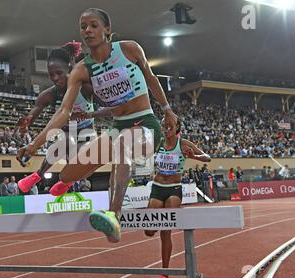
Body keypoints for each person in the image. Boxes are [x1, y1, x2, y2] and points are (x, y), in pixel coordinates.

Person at [17, 8, 177, 243]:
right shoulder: (81, 70)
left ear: (107, 30)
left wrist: (167, 110)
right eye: (83, 27)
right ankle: (66, 181)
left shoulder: (129, 49)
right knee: (67, 173)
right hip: (117, 127)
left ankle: (113, 216)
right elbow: (64, 112)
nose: (88, 31)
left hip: (145, 124)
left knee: (123, 144)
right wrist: (34, 145)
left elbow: (151, 78)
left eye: (93, 25)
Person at [16, 42, 96, 193]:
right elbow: (29, 120)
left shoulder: (85, 87)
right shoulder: (49, 94)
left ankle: (67, 182)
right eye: (51, 74)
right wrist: (24, 125)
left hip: (86, 129)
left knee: (80, 158)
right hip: (64, 131)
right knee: (63, 140)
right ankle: (38, 175)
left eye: (59, 73)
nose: (55, 78)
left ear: (70, 68)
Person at [144, 116, 210, 278]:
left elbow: (207, 158)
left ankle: (164, 276)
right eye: (164, 126)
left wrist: (194, 156)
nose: (166, 128)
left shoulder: (183, 143)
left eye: (169, 126)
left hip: (174, 189)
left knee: (166, 231)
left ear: (177, 127)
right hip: (157, 188)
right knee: (149, 231)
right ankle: (162, 220)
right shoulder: (158, 143)